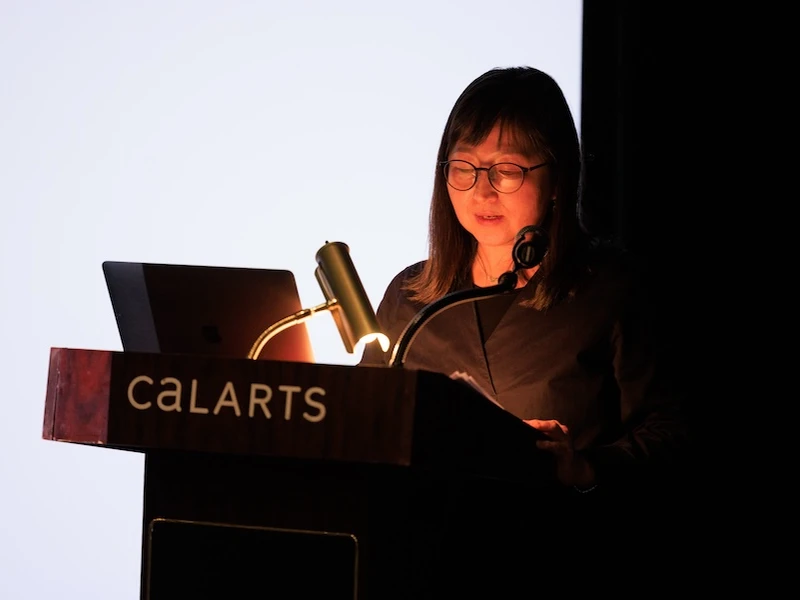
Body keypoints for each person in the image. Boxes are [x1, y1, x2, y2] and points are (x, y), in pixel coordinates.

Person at [359, 66, 688, 502]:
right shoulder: (411, 298)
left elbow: (671, 433)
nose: (482, 192)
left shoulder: (611, 290)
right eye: (464, 167)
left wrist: (585, 467)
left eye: (507, 170)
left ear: (556, 179)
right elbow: (363, 422)